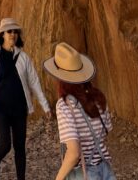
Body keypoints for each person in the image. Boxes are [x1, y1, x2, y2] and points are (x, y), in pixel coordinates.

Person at [0, 17, 50, 180]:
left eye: (15, 32)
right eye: (9, 31)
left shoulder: (24, 57)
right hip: (1, 108)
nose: (12, 34)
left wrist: (45, 106)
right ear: (2, 35)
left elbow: (34, 82)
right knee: (5, 144)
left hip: (20, 108)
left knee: (20, 147)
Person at [43, 42, 116, 180]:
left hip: (85, 174)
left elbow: (74, 153)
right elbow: (106, 131)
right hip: (106, 170)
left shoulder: (64, 105)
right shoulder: (98, 97)